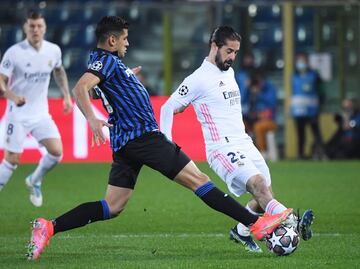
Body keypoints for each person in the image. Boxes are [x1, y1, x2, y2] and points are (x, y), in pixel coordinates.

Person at [26, 16, 292, 261]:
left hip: (124, 143)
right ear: (112, 40)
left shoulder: (109, 64)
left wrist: (126, 80)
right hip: (144, 136)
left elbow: (99, 92)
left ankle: (49, 227)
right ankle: (256, 224)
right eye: (125, 39)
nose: (128, 43)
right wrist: (92, 119)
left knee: (113, 205)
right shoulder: (105, 60)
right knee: (200, 181)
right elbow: (80, 87)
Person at [160, 26, 314, 253]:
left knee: (264, 192)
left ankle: (240, 232)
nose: (232, 57)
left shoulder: (228, 72)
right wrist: (167, 143)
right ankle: (292, 222)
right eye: (229, 51)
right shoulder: (198, 79)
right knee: (259, 185)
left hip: (244, 142)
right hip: (221, 148)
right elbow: (167, 107)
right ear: (215, 46)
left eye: (236, 52)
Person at [0, 11, 72, 207]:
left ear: (45, 28)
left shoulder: (53, 51)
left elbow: (59, 70)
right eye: (31, 26)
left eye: (39, 26)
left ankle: (34, 180)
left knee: (56, 152)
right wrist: (13, 97)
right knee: (12, 160)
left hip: (40, 114)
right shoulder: (14, 53)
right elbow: (0, 83)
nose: (35, 30)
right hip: (17, 115)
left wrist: (66, 95)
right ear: (25, 28)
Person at [291, 52, 325, 160]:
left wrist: (320, 104)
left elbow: (321, 91)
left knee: (316, 133)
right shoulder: (294, 76)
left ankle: (321, 153)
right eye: (299, 61)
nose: (300, 63)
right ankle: (300, 154)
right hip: (298, 111)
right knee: (301, 134)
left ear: (307, 62)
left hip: (312, 110)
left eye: (303, 61)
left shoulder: (314, 75)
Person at [241, 69, 278, 159]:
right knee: (240, 125)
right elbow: (242, 101)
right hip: (253, 118)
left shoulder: (269, 88)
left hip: (269, 120)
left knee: (258, 127)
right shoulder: (250, 89)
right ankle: (244, 153)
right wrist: (246, 88)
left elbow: (272, 103)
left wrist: (259, 93)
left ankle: (262, 152)